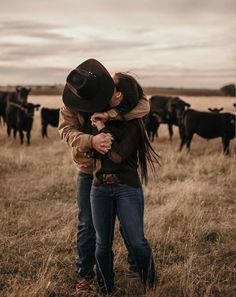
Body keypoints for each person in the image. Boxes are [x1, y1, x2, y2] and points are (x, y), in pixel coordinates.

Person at [58, 59, 150, 296]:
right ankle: (85, 276)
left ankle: (135, 265)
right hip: (88, 169)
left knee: (126, 224)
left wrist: (110, 114)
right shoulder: (70, 103)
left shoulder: (108, 90)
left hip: (118, 170)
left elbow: (143, 106)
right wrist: (92, 141)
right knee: (87, 224)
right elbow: (66, 132)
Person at [88, 71, 159, 295]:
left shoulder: (134, 124)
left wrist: (101, 129)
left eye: (112, 87)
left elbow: (116, 156)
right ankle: (105, 289)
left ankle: (150, 283)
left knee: (137, 241)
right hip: (99, 188)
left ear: (118, 95)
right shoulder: (97, 114)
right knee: (102, 245)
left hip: (126, 188)